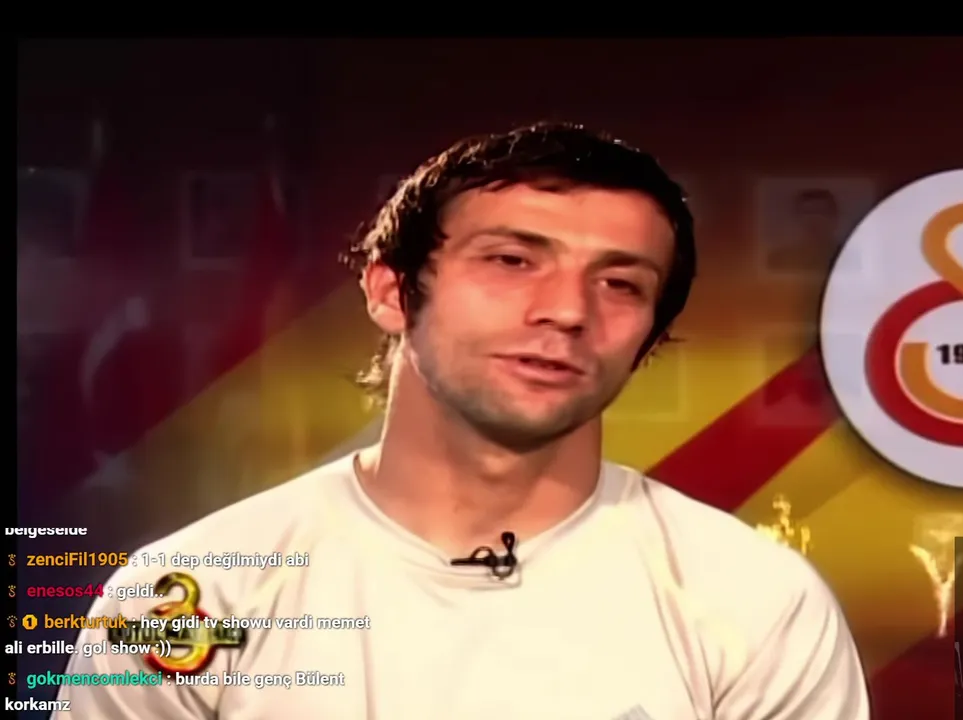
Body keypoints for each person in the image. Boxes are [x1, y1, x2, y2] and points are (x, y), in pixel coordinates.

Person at [56, 121, 870, 719]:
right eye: (511, 261)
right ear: (390, 292)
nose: (566, 310)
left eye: (620, 284)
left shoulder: (754, 602)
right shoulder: (190, 598)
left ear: (649, 338)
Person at [764, 187, 841, 274]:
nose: (815, 219)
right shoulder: (779, 259)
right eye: (808, 212)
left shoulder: (848, 256)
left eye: (821, 212)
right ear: (797, 217)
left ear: (834, 217)